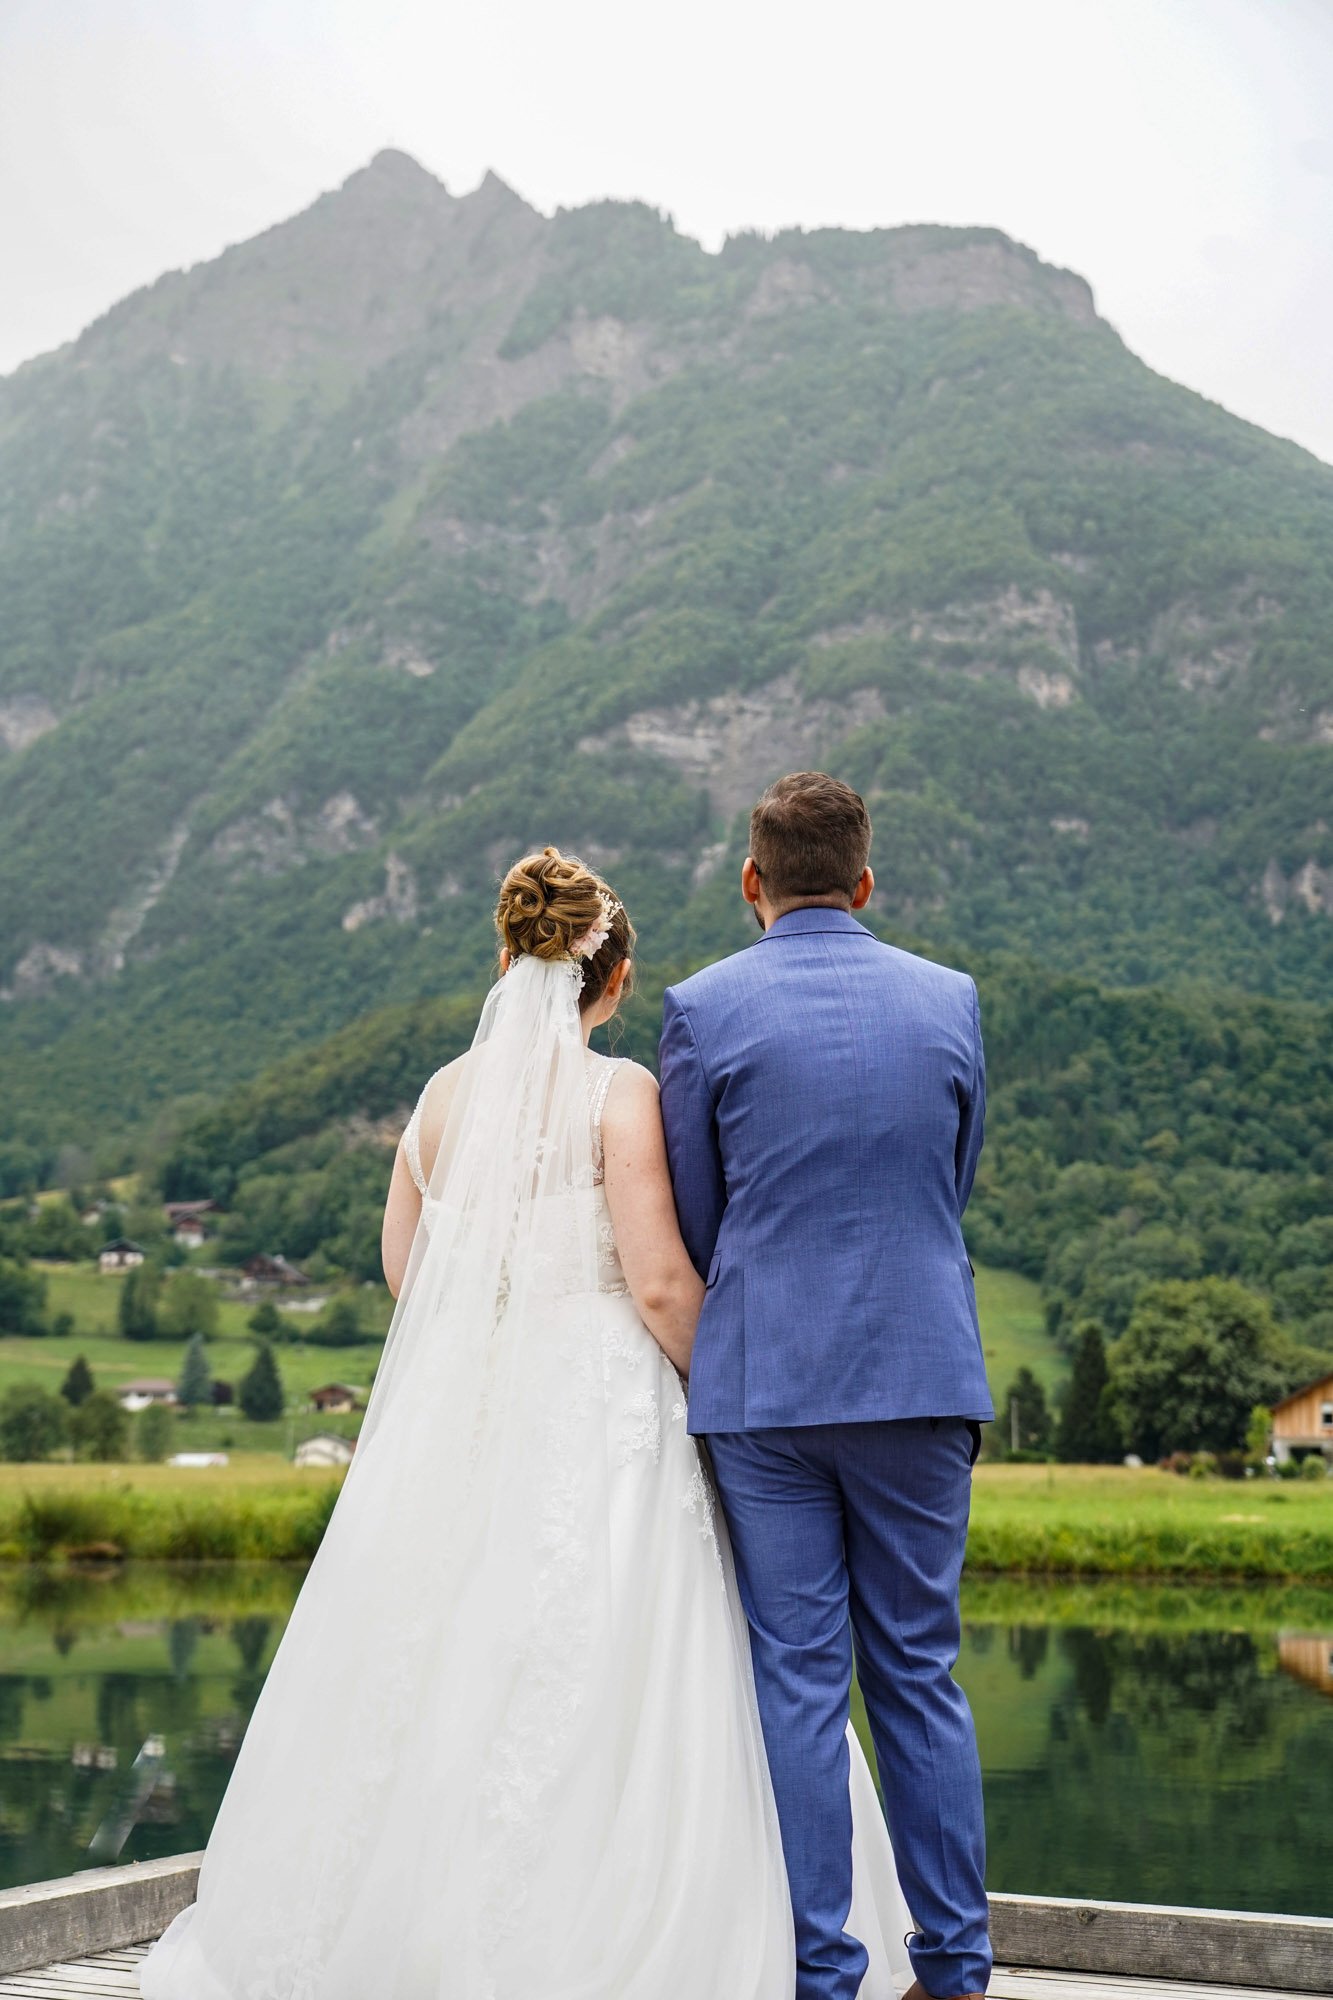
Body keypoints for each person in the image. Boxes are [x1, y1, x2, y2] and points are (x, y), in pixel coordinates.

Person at [138, 845, 913, 2000]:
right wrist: (738, 1392)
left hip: (477, 1411)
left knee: (452, 1659)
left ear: (505, 955)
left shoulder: (442, 1099)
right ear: (612, 978)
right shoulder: (619, 1093)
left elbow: (411, 1275)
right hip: (606, 1408)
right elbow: (657, 1283)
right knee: (629, 1656)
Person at [660, 772, 994, 2000]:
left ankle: (823, 1971)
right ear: (864, 883)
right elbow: (946, 1183)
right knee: (919, 1668)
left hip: (766, 1386)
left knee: (796, 1676)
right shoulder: (949, 999)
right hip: (920, 1369)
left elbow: (698, 1214)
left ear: (751, 880)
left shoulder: (699, 1006)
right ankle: (956, 1967)